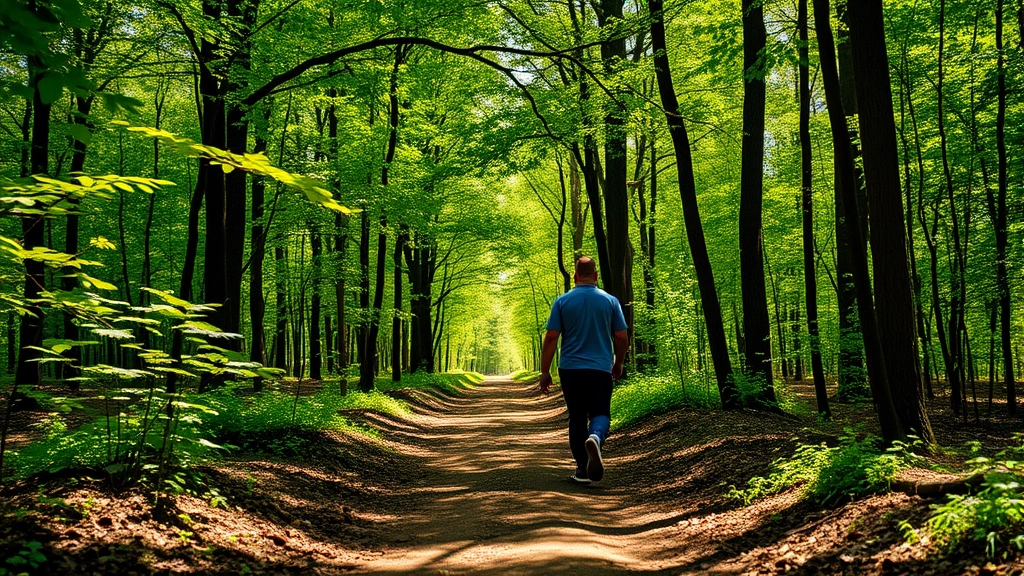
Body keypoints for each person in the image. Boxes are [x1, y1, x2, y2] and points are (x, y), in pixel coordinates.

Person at [539, 257, 628, 484]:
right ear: (596, 276)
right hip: (600, 369)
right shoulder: (610, 301)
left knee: (577, 417)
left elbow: (551, 338)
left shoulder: (562, 302)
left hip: (570, 369)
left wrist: (545, 371)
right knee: (600, 413)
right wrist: (618, 363)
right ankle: (596, 438)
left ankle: (582, 469)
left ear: (576, 276)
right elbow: (621, 337)